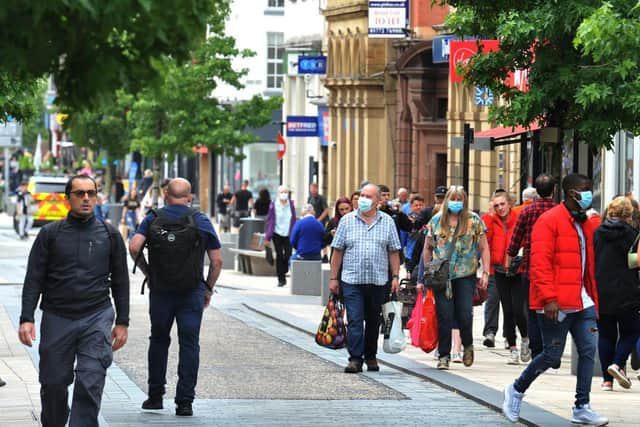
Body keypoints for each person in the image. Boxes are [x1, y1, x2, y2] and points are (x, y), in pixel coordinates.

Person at [19, 174, 130, 427]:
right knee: (53, 383)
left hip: (96, 316)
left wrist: (122, 322)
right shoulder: (50, 234)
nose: (86, 198)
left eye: (91, 193)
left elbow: (121, 281)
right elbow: (34, 278)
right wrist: (27, 318)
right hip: (58, 317)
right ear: (68, 198)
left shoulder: (110, 235)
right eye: (80, 193)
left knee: (91, 379)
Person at [502, 173, 607, 426]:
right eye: (586, 190)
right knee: (551, 355)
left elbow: (591, 258)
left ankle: (582, 406)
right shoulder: (549, 221)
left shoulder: (585, 222)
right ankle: (516, 389)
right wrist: (548, 298)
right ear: (571, 193)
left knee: (588, 350)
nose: (588, 195)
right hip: (557, 301)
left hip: (583, 300)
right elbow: (539, 262)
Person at [129, 178, 222, 417]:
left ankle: (155, 396)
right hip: (191, 292)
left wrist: (149, 273)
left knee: (158, 340)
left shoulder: (153, 217)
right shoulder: (199, 220)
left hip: (161, 292)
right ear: (189, 197)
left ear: (166, 195)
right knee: (189, 343)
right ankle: (184, 402)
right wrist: (208, 288)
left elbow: (134, 246)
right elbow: (217, 261)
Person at [330, 183, 401, 373]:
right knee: (354, 320)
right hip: (352, 280)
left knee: (373, 321)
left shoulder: (387, 222)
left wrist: (395, 276)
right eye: (362, 195)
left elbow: (394, 251)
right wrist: (333, 278)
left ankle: (370, 356)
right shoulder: (347, 221)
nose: (363, 199)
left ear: (378, 201)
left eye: (368, 196)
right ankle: (355, 359)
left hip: (378, 281)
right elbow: (337, 251)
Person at [421, 185, 490, 370]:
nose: (456, 203)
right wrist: (426, 272)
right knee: (444, 315)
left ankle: (467, 344)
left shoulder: (473, 221)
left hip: (465, 274)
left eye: (460, 199)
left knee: (465, 314)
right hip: (442, 277)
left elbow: (484, 247)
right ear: (447, 200)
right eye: (453, 199)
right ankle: (444, 355)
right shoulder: (436, 221)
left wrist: (485, 272)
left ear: (465, 201)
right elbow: (427, 248)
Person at [507, 174, 557, 363]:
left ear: (536, 191)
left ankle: (537, 351)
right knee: (553, 310)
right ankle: (552, 347)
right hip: (553, 268)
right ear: (554, 190)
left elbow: (514, 242)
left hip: (530, 267)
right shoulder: (559, 211)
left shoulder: (527, 212)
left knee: (533, 309)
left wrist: (510, 259)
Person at [594, 196, 640, 391]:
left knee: (606, 335)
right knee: (632, 331)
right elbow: (634, 262)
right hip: (627, 291)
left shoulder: (597, 232)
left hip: (601, 290)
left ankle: (606, 380)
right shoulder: (633, 234)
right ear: (628, 214)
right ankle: (618, 363)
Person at [486, 190, 529, 365]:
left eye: (502, 204)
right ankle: (512, 348)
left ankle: (525, 338)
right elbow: (485, 243)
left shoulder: (519, 219)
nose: (500, 208)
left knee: (519, 309)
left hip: (517, 270)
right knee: (507, 310)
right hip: (499, 270)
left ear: (509, 203)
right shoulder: (491, 221)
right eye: (496, 205)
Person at [264, 185, 297, 287]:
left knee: (287, 254)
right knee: (279, 255)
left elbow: (294, 219)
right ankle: (281, 279)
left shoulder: (291, 205)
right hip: (277, 233)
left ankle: (285, 269)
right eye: (282, 192)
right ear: (278, 194)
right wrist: (267, 236)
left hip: (288, 233)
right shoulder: (273, 205)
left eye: (285, 192)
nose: (284, 194)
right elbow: (269, 220)